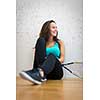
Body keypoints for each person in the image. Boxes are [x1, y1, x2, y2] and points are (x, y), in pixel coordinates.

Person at [20, 20, 65, 85]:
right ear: (47, 29)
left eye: (56, 27)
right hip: (44, 72)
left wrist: (50, 60)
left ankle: (39, 73)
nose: (56, 29)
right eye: (53, 27)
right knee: (40, 40)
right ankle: (39, 74)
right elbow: (37, 59)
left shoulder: (59, 42)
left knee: (51, 55)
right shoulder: (42, 42)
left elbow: (62, 59)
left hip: (56, 72)